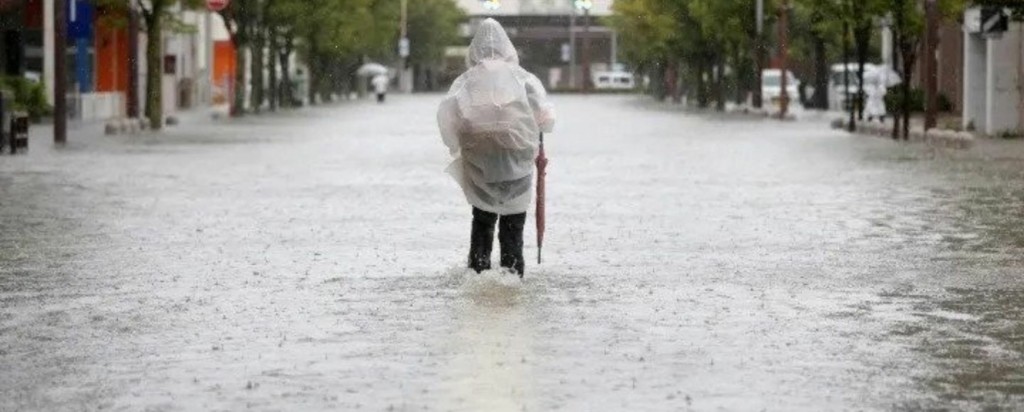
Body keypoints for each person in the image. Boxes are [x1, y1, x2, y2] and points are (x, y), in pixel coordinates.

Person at [436, 19, 556, 277]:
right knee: (513, 223)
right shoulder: (523, 79)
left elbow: (448, 118)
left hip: (481, 162)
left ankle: (478, 271)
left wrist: (457, 146)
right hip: (517, 162)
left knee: (482, 219)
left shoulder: (466, 81)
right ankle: (511, 278)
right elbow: (546, 120)